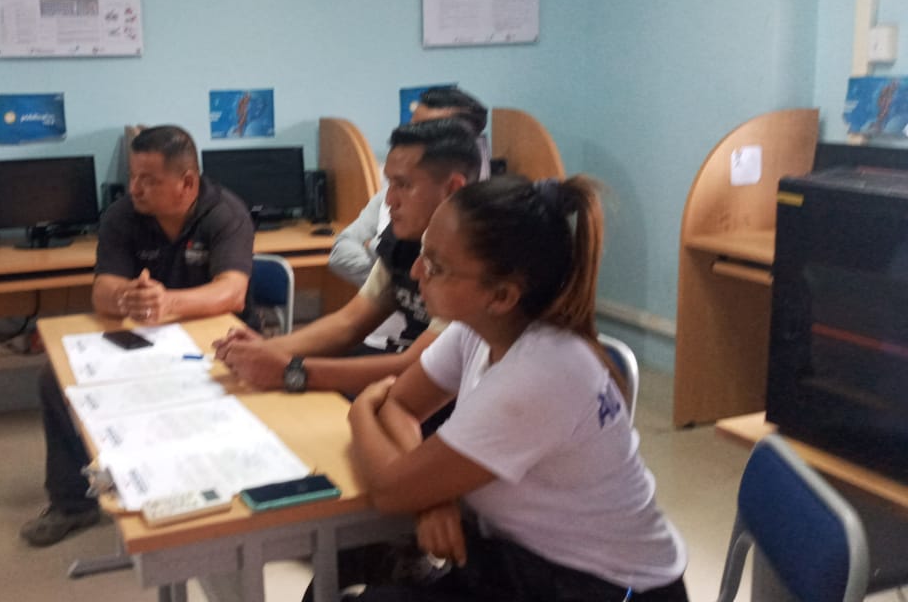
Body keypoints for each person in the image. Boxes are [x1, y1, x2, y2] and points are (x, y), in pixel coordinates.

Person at [344, 175, 688, 601]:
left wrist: (360, 411)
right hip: (524, 561)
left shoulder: (541, 373)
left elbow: (389, 488)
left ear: (502, 295)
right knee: (348, 560)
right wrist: (430, 496)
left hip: (601, 587)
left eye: (436, 266)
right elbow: (400, 407)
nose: (416, 272)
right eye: (422, 254)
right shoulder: (479, 329)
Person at [22, 125, 254, 547]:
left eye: (149, 180)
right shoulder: (122, 216)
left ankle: (214, 492)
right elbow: (102, 290)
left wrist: (168, 302)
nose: (135, 189)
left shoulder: (225, 213)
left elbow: (232, 291)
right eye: (133, 177)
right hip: (148, 336)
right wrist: (128, 296)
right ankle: (72, 504)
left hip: (216, 340)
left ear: (187, 183)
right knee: (54, 378)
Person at [214, 118, 481, 398]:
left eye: (403, 185)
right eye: (389, 184)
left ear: (453, 189)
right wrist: (265, 349)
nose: (389, 200)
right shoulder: (403, 239)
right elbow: (349, 323)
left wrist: (290, 370)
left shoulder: (476, 261)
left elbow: (420, 369)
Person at [329, 87, 490, 354]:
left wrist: (393, 277)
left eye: (433, 129)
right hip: (383, 342)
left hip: (414, 357)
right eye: (415, 126)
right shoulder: (397, 197)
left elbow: (423, 365)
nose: (390, 199)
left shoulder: (480, 236)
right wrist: (390, 277)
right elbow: (341, 254)